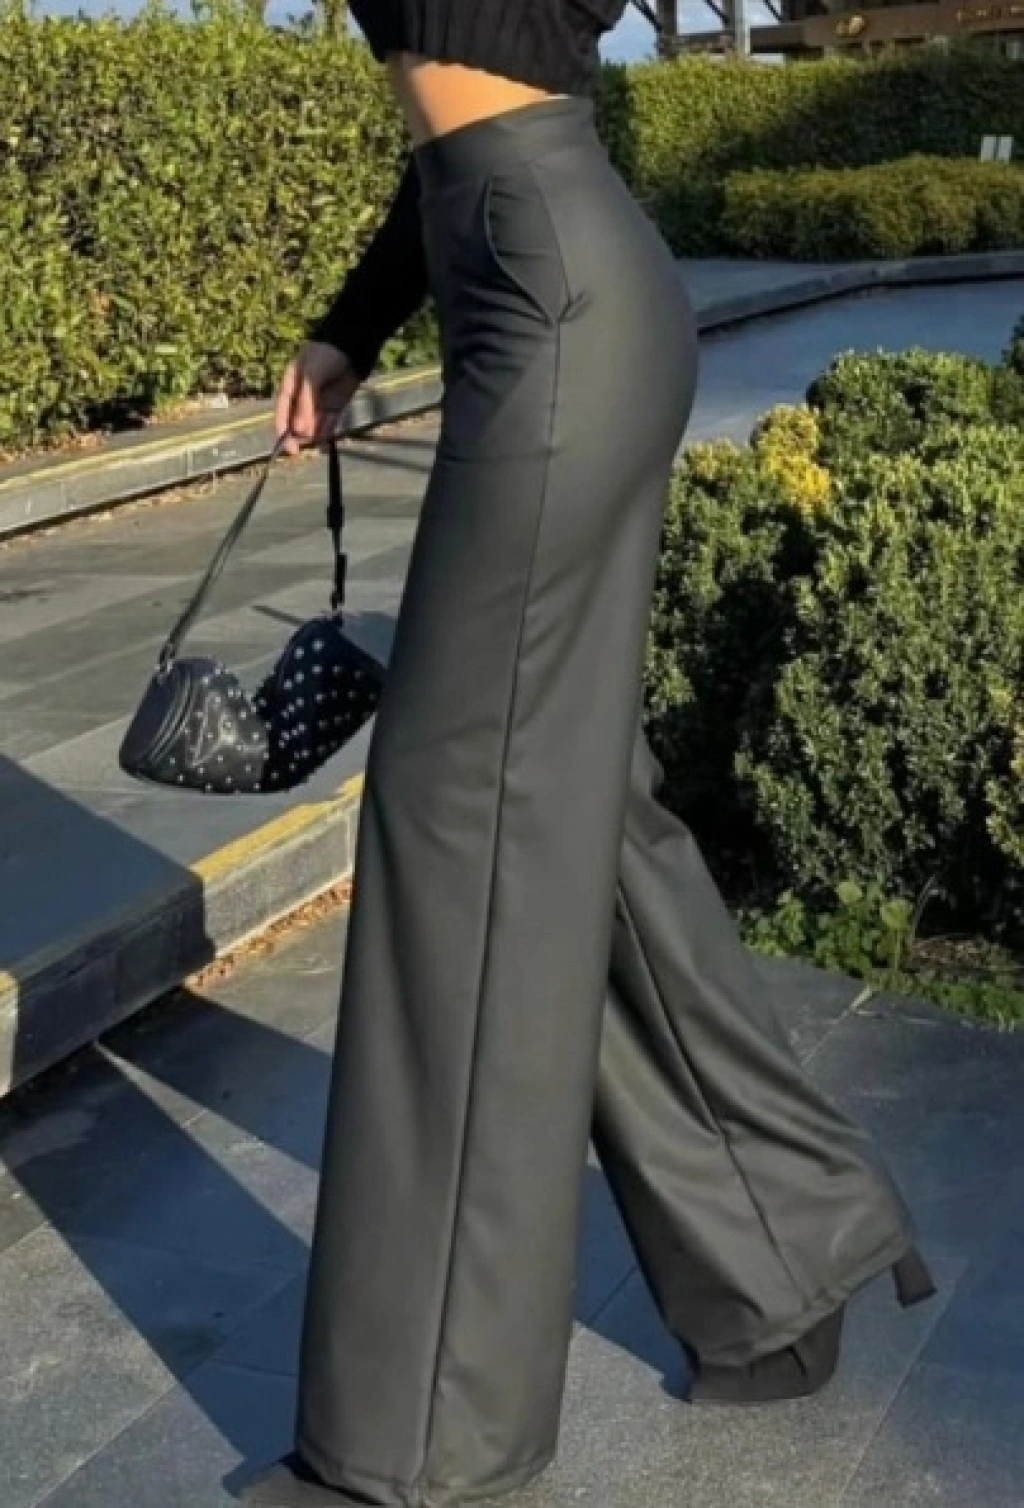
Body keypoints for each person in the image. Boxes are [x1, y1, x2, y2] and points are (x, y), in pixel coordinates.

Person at [243, 4, 935, 1504]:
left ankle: (425, 1441)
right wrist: (355, 320)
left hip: (554, 285)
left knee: (459, 814)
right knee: (568, 814)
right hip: (519, 265)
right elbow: (472, 116)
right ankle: (784, 1252)